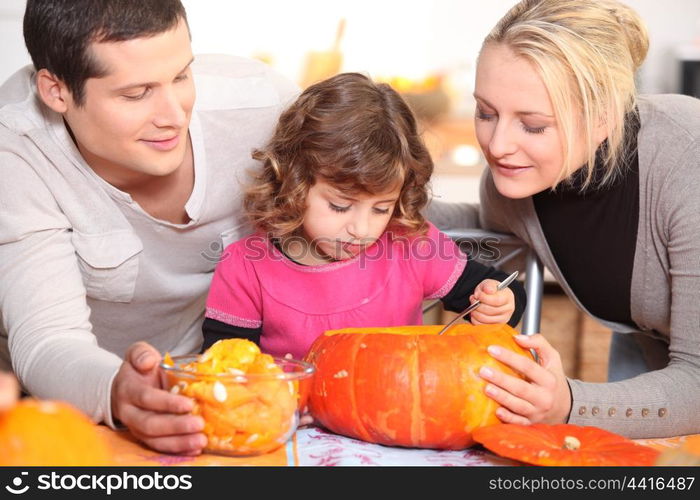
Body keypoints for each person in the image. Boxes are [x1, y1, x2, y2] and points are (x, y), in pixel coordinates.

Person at [0, 0, 298, 455]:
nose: (175, 115)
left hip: (231, 404)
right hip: (66, 416)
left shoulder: (266, 105)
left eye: (181, 76)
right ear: (56, 91)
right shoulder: (15, 148)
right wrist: (119, 392)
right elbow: (48, 340)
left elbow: (379, 203)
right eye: (136, 93)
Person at [428, 0, 700, 438]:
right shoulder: (512, 189)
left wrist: (571, 403)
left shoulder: (689, 158)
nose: (497, 145)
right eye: (485, 112)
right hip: (653, 361)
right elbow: (488, 234)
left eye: (532, 125)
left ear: (601, 120)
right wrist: (379, 192)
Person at [201, 73, 527, 359]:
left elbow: (496, 290)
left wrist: (499, 303)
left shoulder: (412, 244)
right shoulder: (245, 266)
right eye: (340, 206)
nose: (361, 229)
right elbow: (227, 367)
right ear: (294, 182)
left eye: (381, 209)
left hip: (395, 415)